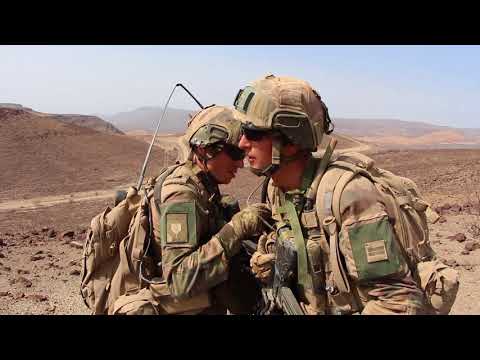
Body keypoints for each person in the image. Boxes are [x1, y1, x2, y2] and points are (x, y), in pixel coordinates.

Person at [234, 75, 429, 315]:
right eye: (242, 131)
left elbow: (398, 303)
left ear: (290, 141)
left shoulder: (348, 195)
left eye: (253, 134)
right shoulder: (278, 189)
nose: (242, 143)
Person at [109, 105, 269, 315]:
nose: (241, 163)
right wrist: (236, 229)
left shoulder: (203, 182)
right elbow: (179, 280)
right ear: (204, 149)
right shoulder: (181, 195)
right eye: (234, 153)